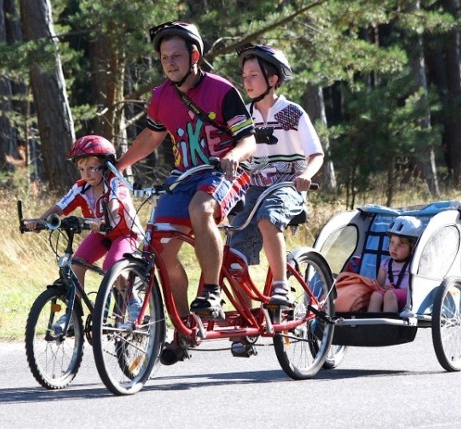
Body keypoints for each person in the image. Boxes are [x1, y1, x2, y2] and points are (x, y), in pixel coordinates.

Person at [116, 21, 256, 364]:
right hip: (183, 176)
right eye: (165, 57)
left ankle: (211, 293)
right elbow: (151, 138)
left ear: (194, 55)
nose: (170, 62)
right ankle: (182, 327)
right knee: (160, 246)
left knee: (201, 209)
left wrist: (232, 156)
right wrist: (118, 166)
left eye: (177, 55)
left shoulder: (222, 91)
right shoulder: (161, 97)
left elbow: (248, 140)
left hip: (225, 172)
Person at [229, 44, 325, 308]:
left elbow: (316, 154)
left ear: (272, 80)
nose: (246, 82)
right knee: (233, 248)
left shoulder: (292, 113)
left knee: (268, 217)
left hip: (287, 186)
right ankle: (245, 319)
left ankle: (281, 286)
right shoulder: (244, 116)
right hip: (253, 189)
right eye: (244, 76)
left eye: (253, 76)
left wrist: (305, 175)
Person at [27, 135, 143, 332]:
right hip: (101, 235)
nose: (86, 174)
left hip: (125, 233)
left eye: (91, 168)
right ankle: (73, 313)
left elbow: (116, 204)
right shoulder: (81, 187)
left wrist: (106, 218)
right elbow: (60, 207)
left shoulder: (115, 182)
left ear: (106, 166)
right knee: (76, 264)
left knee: (111, 265)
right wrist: (39, 221)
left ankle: (132, 302)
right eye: (81, 169)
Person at [367, 216, 424, 313]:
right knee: (376, 295)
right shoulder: (385, 264)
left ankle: (390, 327)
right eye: (392, 243)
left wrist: (393, 291)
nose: (394, 248)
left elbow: (419, 288)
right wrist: (385, 288)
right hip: (390, 293)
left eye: (400, 245)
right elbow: (379, 285)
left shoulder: (414, 265)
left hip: (407, 297)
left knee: (390, 294)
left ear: (412, 249)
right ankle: (371, 325)